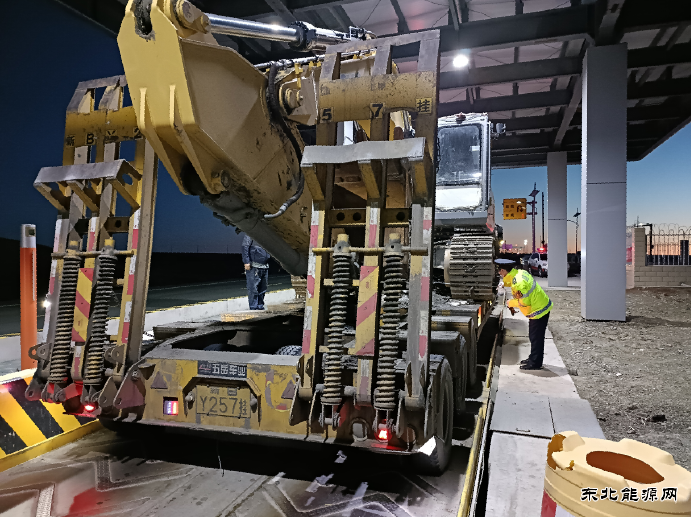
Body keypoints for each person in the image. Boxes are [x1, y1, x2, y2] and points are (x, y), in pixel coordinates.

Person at [495, 258, 552, 371]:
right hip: (541, 305)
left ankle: (535, 363)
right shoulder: (520, 273)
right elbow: (511, 280)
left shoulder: (518, 283)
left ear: (503, 270)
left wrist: (510, 302)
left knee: (536, 338)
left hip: (538, 310)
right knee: (534, 337)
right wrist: (503, 283)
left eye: (499, 271)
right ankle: (533, 358)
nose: (499, 273)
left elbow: (524, 302)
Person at [242, 235, 271, 310]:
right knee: (253, 289)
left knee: (263, 288)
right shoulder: (250, 233)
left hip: (265, 266)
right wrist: (246, 262)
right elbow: (245, 246)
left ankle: (260, 306)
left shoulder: (266, 234)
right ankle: (253, 308)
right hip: (254, 266)